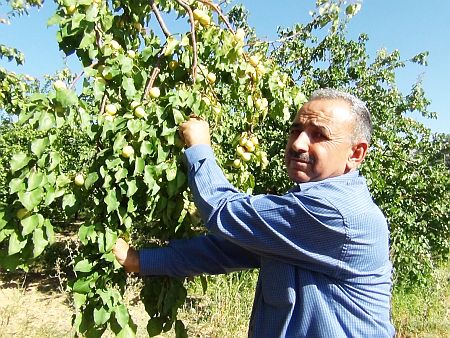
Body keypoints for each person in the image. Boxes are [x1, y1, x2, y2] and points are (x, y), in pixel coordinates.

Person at [113, 88, 395, 337]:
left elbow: (222, 210)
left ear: (355, 154)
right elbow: (223, 251)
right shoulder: (306, 210)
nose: (297, 144)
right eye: (296, 130)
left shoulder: (336, 213)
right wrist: (139, 261)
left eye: (319, 135)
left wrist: (198, 148)